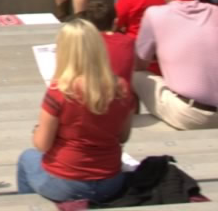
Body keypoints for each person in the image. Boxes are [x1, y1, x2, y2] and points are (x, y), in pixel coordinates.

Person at [16, 19, 134, 204]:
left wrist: (37, 131)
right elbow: (123, 137)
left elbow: (42, 145)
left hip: (67, 183)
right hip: (111, 182)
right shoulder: (122, 88)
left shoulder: (61, 91)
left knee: (26, 158)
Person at [133, 0, 218, 129]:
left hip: (192, 116)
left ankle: (130, 126)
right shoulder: (215, 12)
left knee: (133, 74)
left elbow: (139, 64)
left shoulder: (154, 14)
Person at [81, 0, 137, 92]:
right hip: (123, 101)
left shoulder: (81, 42)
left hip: (89, 96)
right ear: (115, 22)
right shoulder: (129, 43)